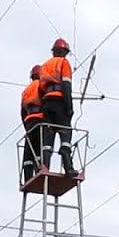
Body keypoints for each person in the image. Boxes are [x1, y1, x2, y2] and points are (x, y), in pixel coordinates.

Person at [38, 38, 77, 177]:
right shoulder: (63, 63)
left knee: (48, 137)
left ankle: (44, 166)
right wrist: (69, 106)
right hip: (60, 101)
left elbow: (40, 90)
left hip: (47, 102)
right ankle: (68, 165)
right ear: (64, 51)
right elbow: (66, 85)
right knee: (65, 132)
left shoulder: (44, 66)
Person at [20, 64, 45, 183]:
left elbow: (22, 112)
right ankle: (39, 170)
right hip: (40, 119)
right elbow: (46, 103)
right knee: (40, 147)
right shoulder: (41, 86)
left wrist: (26, 125)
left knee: (29, 150)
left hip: (29, 121)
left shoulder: (26, 91)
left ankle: (28, 177)